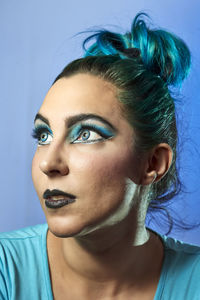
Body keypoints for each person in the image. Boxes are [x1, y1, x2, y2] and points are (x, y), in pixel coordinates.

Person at [0, 13, 199, 300]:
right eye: (43, 135)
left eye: (86, 134)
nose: (48, 163)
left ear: (153, 163)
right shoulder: (7, 270)